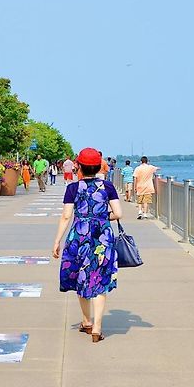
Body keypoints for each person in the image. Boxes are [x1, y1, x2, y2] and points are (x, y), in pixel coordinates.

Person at [52, 147, 122, 343]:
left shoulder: (73, 188)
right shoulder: (108, 187)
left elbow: (66, 216)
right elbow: (118, 213)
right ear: (99, 166)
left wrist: (57, 240)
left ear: (79, 166)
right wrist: (100, 217)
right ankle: (97, 328)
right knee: (100, 279)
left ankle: (86, 321)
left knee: (81, 276)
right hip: (102, 237)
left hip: (79, 237)